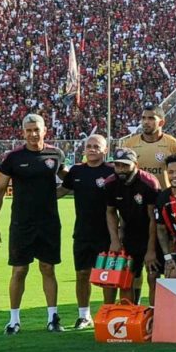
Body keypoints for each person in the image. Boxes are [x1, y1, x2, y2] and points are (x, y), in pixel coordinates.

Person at [0, 113, 67, 334]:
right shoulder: (13, 158)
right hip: (21, 223)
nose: (33, 134)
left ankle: (53, 317)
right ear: (23, 132)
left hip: (49, 223)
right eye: (29, 130)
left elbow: (69, 180)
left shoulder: (55, 154)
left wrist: (55, 195)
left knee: (48, 268)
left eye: (37, 130)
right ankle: (14, 320)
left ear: (45, 130)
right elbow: (0, 190)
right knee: (19, 269)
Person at [57, 134, 115, 328]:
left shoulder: (112, 172)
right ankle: (84, 315)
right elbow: (61, 191)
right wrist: (35, 195)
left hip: (107, 233)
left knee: (107, 276)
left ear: (105, 150)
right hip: (82, 232)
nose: (92, 149)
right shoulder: (76, 171)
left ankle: (108, 313)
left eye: (96, 146)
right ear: (83, 150)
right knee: (82, 273)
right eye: (89, 146)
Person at [104, 148, 162, 304]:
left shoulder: (149, 183)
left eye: (125, 165)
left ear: (135, 164)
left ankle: (154, 316)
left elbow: (153, 219)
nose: (121, 169)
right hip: (129, 234)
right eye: (117, 165)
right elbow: (110, 212)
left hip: (151, 234)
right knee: (128, 276)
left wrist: (151, 250)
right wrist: (114, 239)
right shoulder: (110, 183)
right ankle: (130, 314)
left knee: (152, 275)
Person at [119, 104, 176, 188]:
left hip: (162, 197)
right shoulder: (129, 145)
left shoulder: (174, 145)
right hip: (137, 196)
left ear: (161, 122)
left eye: (151, 118)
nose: (146, 122)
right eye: (143, 118)